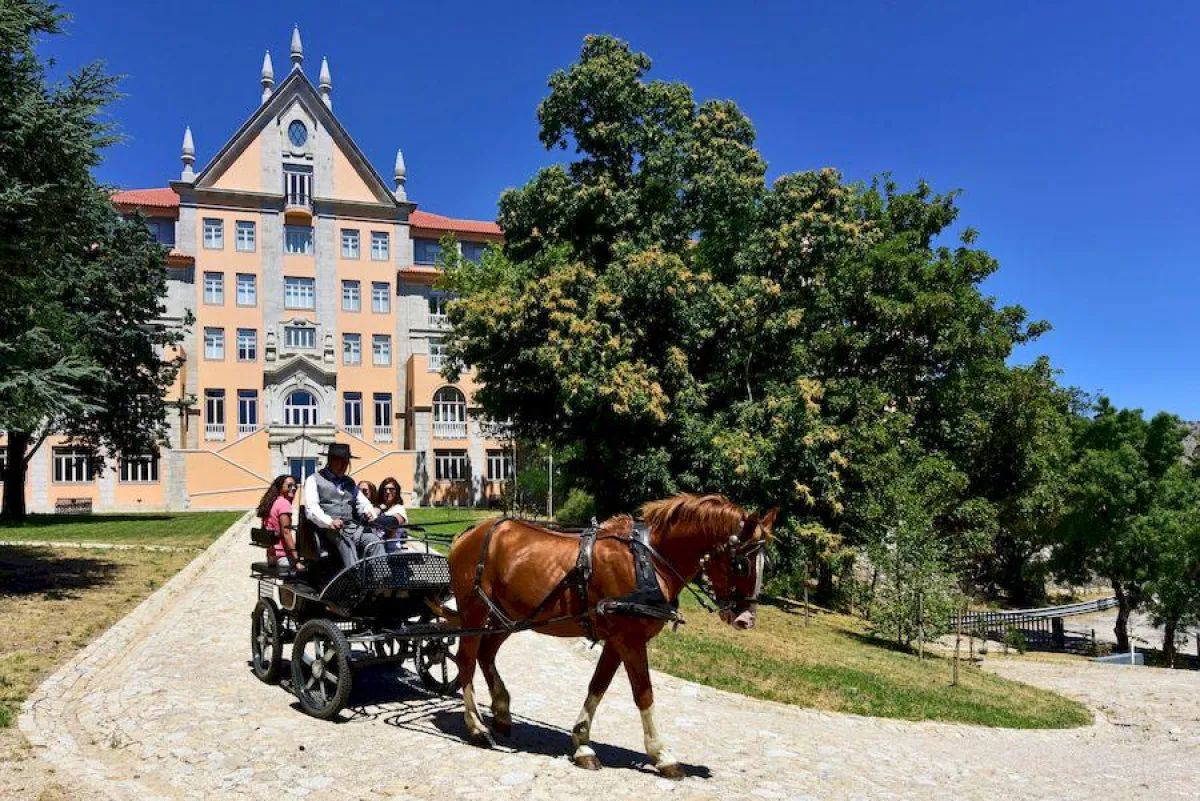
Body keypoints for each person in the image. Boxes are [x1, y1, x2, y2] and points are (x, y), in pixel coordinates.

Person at [302, 443, 382, 567]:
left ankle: (380, 580)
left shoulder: (350, 482)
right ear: (330, 461)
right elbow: (311, 509)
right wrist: (329, 522)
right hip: (328, 532)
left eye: (346, 461)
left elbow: (362, 502)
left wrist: (369, 512)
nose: (344, 465)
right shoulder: (313, 479)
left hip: (353, 529)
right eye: (340, 461)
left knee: (374, 541)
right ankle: (356, 579)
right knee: (347, 544)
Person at [256, 474, 301, 569]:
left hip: (271, 556)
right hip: (283, 556)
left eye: (295, 486)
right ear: (280, 487)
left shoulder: (271, 503)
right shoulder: (284, 504)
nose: (293, 488)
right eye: (289, 485)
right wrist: (296, 559)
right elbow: (286, 532)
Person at [375, 476, 409, 552]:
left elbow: (392, 523)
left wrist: (372, 520)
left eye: (391, 489)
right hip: (377, 548)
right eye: (385, 489)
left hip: (392, 550)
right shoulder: (380, 507)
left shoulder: (399, 508)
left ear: (396, 491)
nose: (388, 492)